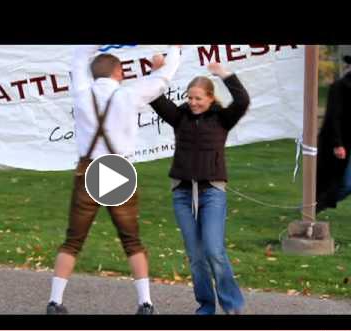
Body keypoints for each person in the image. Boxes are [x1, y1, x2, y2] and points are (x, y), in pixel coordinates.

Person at [46, 45, 181, 315]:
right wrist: (174, 51)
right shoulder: (129, 95)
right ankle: (145, 303)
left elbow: (78, 55)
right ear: (119, 72)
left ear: (93, 73)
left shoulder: (82, 93)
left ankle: (55, 301)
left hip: (88, 169)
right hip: (118, 169)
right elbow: (164, 78)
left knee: (73, 241)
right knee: (132, 240)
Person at [149, 62, 250, 315]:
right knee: (196, 256)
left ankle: (233, 305)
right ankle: (205, 306)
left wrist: (224, 74)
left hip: (212, 192)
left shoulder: (222, 118)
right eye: (189, 97)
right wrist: (157, 71)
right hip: (182, 193)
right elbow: (153, 95)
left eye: (198, 98)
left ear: (210, 97)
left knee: (214, 250)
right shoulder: (179, 116)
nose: (193, 103)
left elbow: (242, 100)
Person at [316, 55, 351, 213]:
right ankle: (315, 207)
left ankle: (317, 205)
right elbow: (333, 116)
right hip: (340, 143)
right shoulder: (340, 87)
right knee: (344, 184)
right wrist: (337, 143)